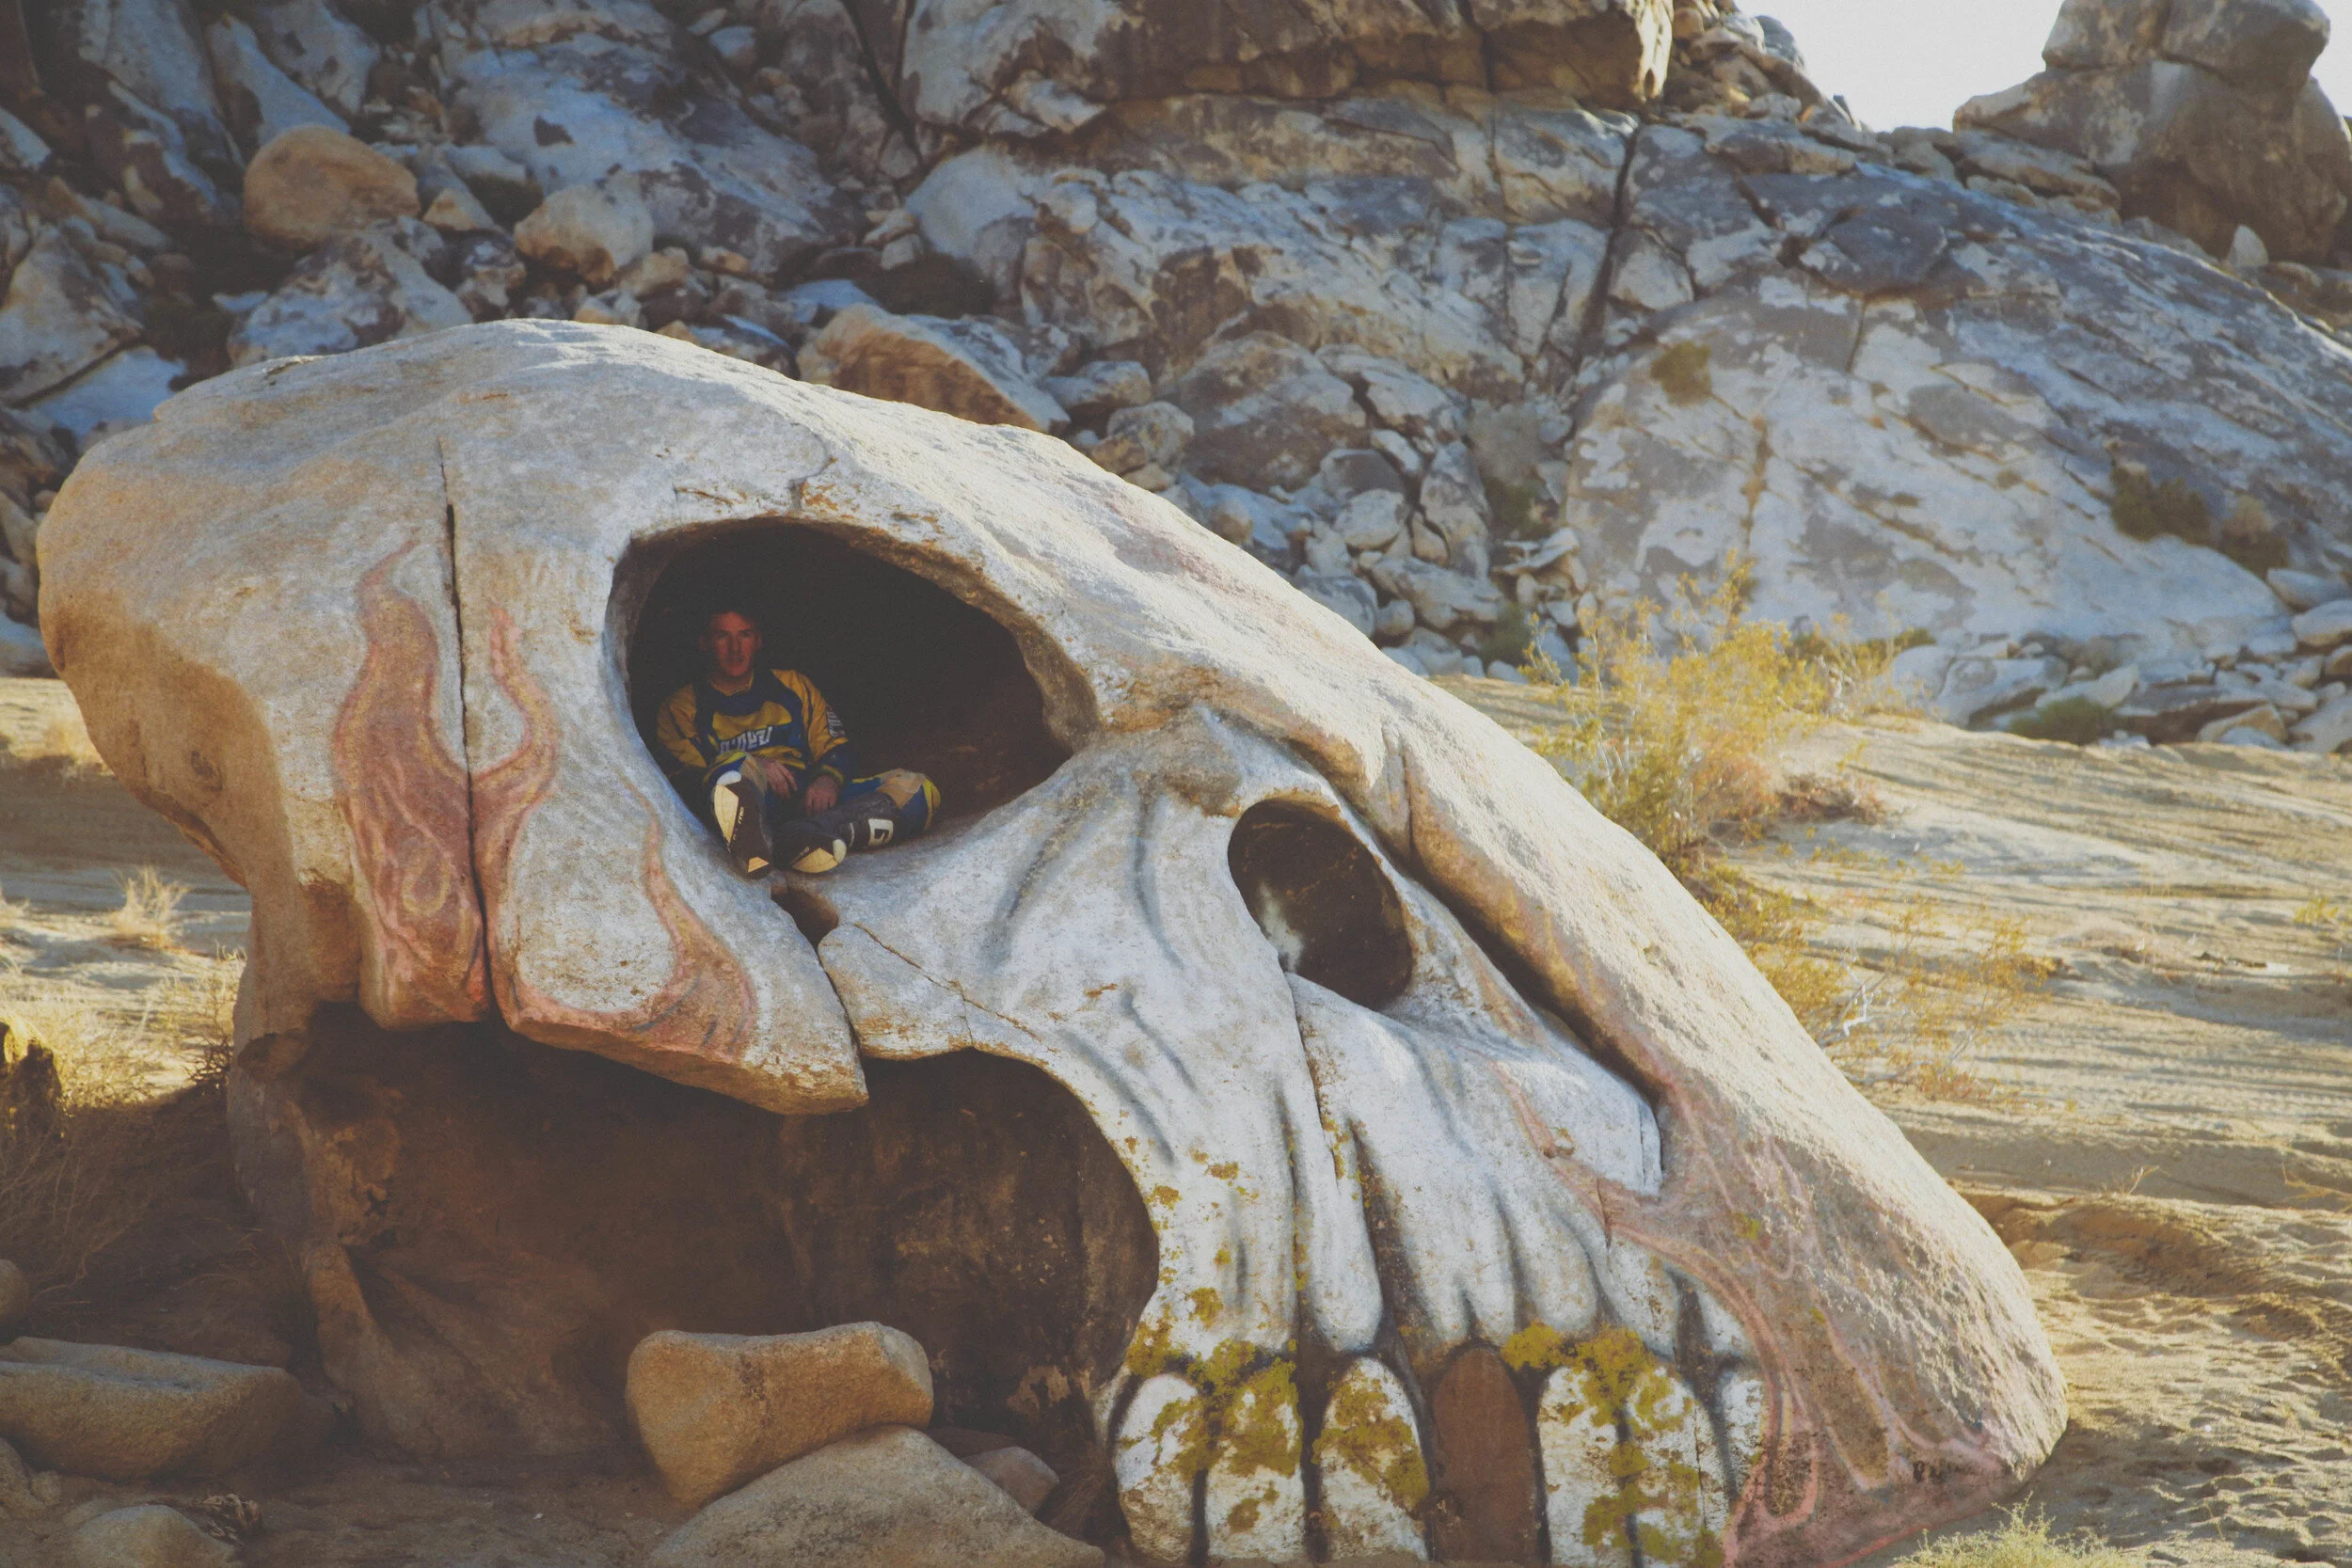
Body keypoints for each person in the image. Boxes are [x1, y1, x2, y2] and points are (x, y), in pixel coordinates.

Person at [656, 605, 940, 877]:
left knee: (917, 790)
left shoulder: (793, 686)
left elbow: (837, 746)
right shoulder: (681, 708)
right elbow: (686, 782)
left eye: (745, 635)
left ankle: (808, 836)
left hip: (807, 799)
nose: (735, 648)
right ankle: (758, 843)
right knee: (733, 774)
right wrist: (756, 765)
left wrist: (827, 779)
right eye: (722, 636)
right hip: (750, 804)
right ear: (704, 643)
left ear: (758, 640)